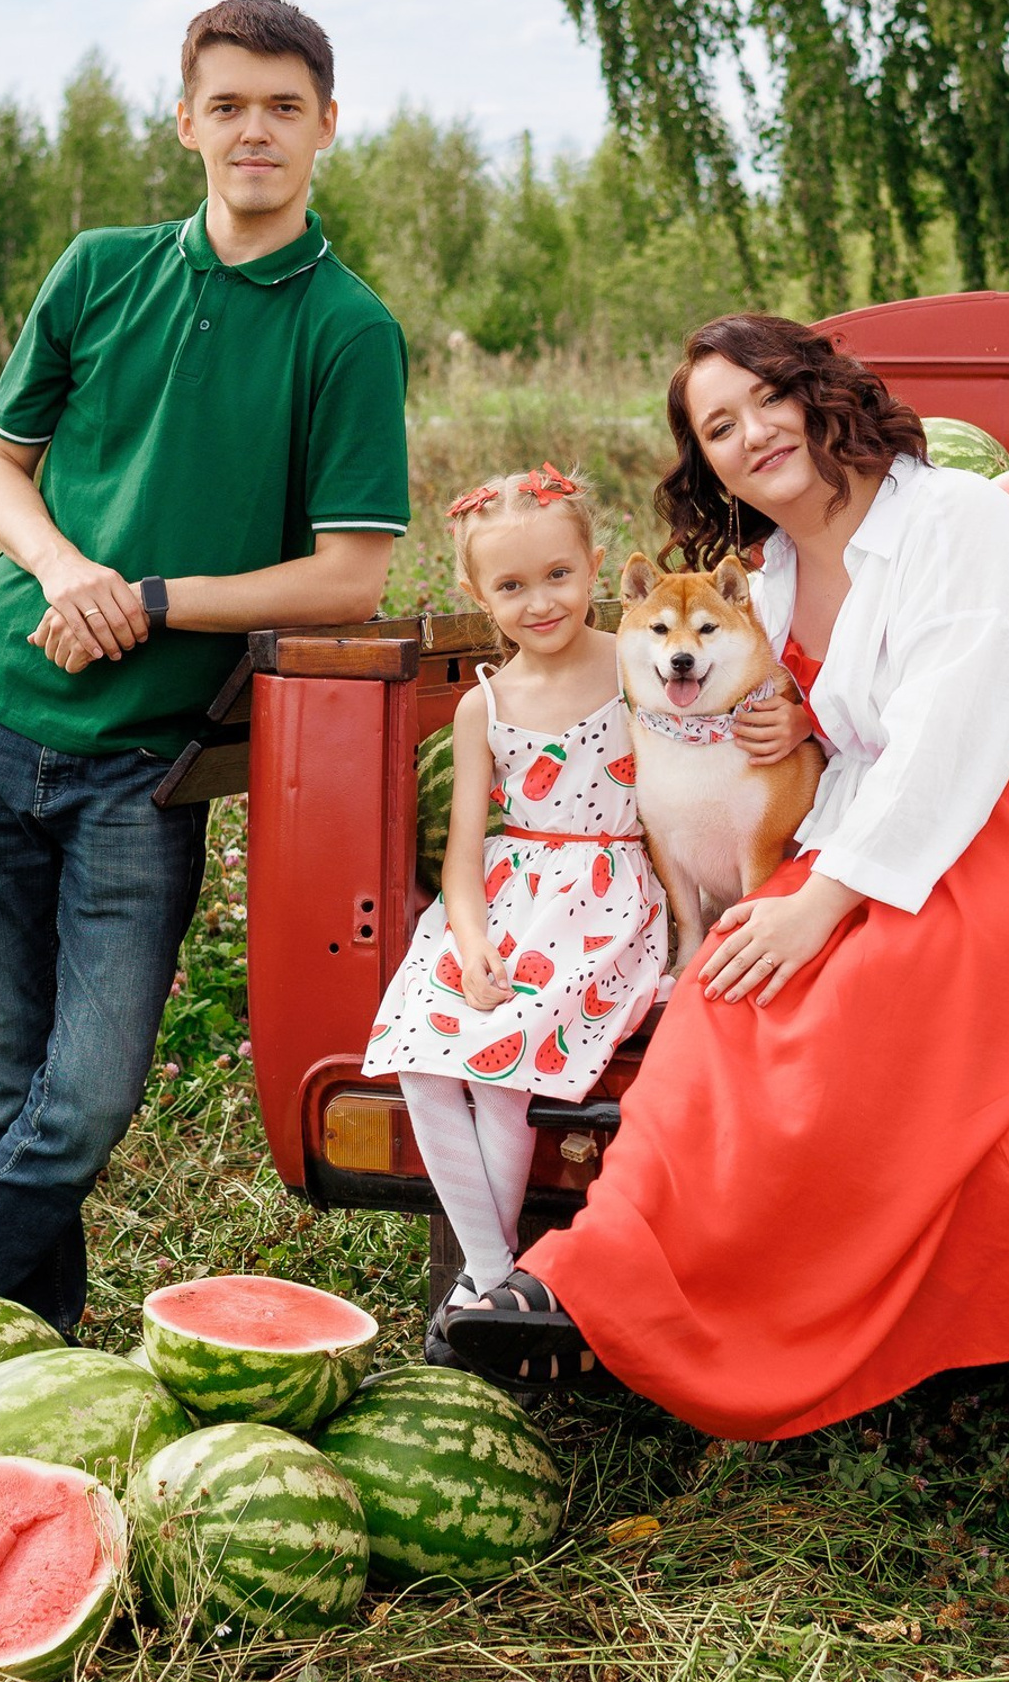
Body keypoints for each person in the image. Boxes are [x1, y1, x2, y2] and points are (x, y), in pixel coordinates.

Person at [449, 313, 1009, 1437]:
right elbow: (836, 743)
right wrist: (796, 749)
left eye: (765, 400)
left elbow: (956, 736)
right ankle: (592, 1278)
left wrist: (825, 904)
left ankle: (754, 1311)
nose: (752, 435)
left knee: (840, 989)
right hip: (894, 829)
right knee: (724, 984)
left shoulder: (959, 523)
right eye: (718, 426)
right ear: (707, 460)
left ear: (820, 393)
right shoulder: (775, 576)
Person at [0, 0, 409, 1335]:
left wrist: (150, 597)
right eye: (231, 104)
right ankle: (22, 1363)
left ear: (325, 129)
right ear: (188, 121)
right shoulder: (96, 270)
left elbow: (349, 573)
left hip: (145, 771)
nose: (257, 130)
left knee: (85, 1100)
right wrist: (67, 573)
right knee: (2, 1082)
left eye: (285, 107)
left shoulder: (348, 330)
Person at [366, 465, 668, 1355]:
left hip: (606, 897)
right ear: (476, 594)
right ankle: (494, 1276)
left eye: (558, 576)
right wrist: (469, 942)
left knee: (505, 1071)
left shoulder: (636, 659)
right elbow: (464, 853)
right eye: (511, 585)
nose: (540, 602)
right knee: (426, 1050)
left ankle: (482, 1288)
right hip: (502, 900)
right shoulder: (481, 705)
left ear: (596, 565)